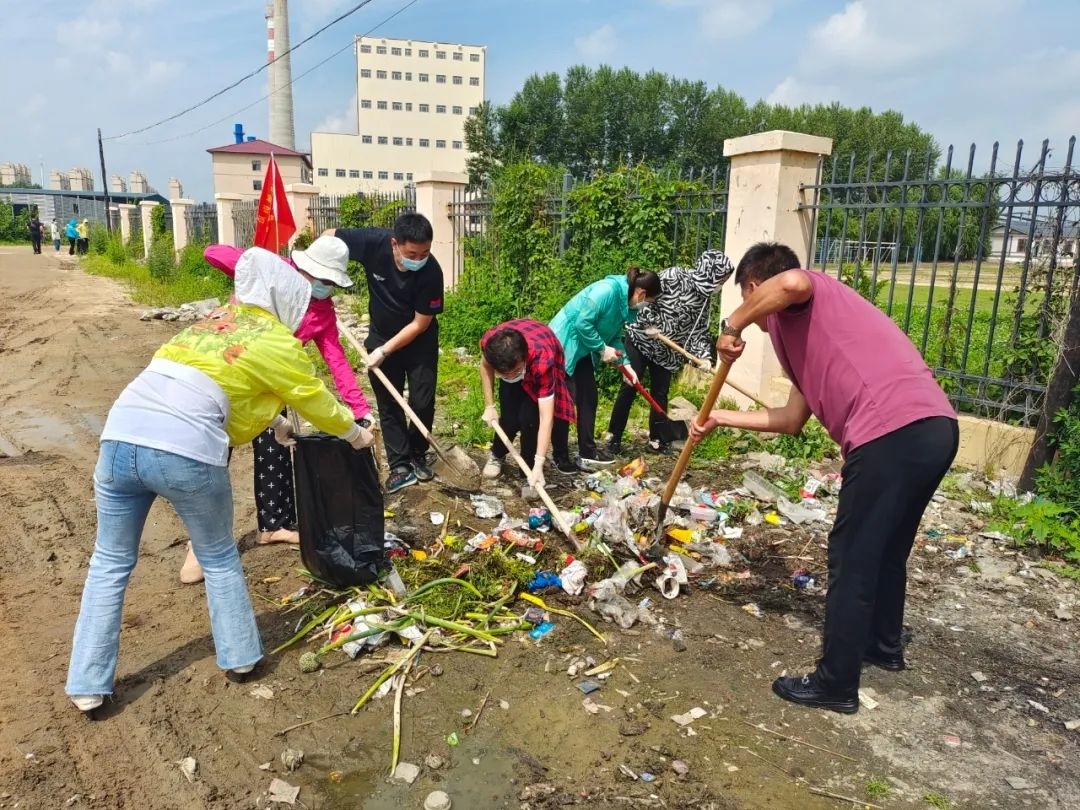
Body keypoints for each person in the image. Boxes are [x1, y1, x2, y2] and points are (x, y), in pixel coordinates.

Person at [65, 247, 374, 714]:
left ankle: (87, 684)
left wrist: (274, 426)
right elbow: (315, 400)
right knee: (218, 556)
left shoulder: (207, 325)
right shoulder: (278, 342)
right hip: (183, 451)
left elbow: (213, 386)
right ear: (288, 297)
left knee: (109, 562)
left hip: (119, 439)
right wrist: (355, 435)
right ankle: (242, 657)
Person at [690, 242, 958, 714]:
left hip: (889, 431)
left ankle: (835, 683)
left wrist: (732, 324)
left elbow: (791, 283)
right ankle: (883, 645)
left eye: (752, 298)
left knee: (851, 556)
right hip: (934, 428)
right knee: (888, 548)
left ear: (756, 288)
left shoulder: (807, 291)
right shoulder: (812, 334)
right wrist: (721, 420)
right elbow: (792, 419)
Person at [177, 235, 375, 584]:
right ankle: (200, 545)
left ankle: (274, 525)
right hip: (233, 372)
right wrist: (257, 261)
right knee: (216, 455)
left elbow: (336, 361)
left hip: (274, 382)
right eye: (323, 281)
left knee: (275, 451)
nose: (326, 289)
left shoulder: (323, 311)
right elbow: (211, 252)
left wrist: (359, 410)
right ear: (305, 270)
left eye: (333, 284)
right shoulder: (272, 275)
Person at [324, 213, 443, 494]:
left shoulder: (431, 272)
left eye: (425, 252)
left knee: (422, 401)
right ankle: (400, 465)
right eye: (412, 253)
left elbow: (420, 323)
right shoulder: (373, 242)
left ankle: (417, 453)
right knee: (389, 403)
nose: (419, 258)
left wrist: (384, 351)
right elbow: (330, 235)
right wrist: (322, 272)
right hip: (380, 334)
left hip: (419, 342)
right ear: (395, 244)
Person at [607, 250, 734, 455]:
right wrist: (650, 324)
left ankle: (656, 439)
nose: (722, 284)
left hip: (667, 352)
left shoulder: (704, 300)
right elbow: (647, 296)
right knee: (631, 384)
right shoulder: (674, 276)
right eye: (722, 278)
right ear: (710, 272)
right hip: (641, 339)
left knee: (660, 393)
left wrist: (704, 356)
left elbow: (699, 331)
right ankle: (614, 436)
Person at [549, 267, 661, 469]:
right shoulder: (606, 291)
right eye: (649, 302)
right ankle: (560, 456)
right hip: (563, 343)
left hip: (583, 348)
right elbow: (583, 323)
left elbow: (614, 337)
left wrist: (625, 364)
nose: (645, 306)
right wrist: (601, 349)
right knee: (565, 402)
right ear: (642, 293)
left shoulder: (624, 304)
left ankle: (587, 451)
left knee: (588, 397)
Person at [479, 319, 577, 483]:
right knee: (509, 420)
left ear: (524, 357)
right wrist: (490, 405)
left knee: (530, 421)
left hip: (536, 365)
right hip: (516, 362)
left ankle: (529, 472)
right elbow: (485, 365)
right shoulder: (491, 345)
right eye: (504, 374)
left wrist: (539, 463)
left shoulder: (543, 361)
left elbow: (546, 419)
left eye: (515, 371)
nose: (511, 376)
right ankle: (497, 455)